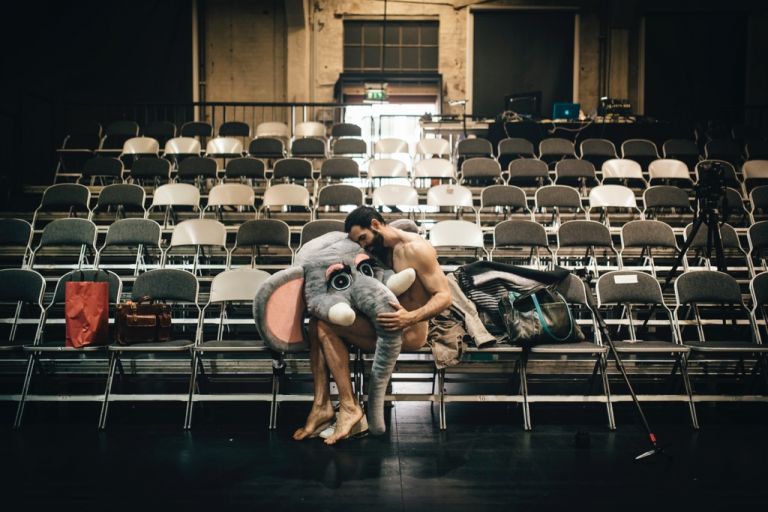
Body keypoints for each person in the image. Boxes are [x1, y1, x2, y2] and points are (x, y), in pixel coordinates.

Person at [293, 207, 452, 444]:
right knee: (318, 320)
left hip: (408, 330)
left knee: (323, 326)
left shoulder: (415, 248)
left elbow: (444, 296)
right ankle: (322, 406)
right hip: (381, 323)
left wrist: (411, 317)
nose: (363, 246)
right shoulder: (378, 249)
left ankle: (347, 408)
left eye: (363, 238)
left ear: (376, 225)